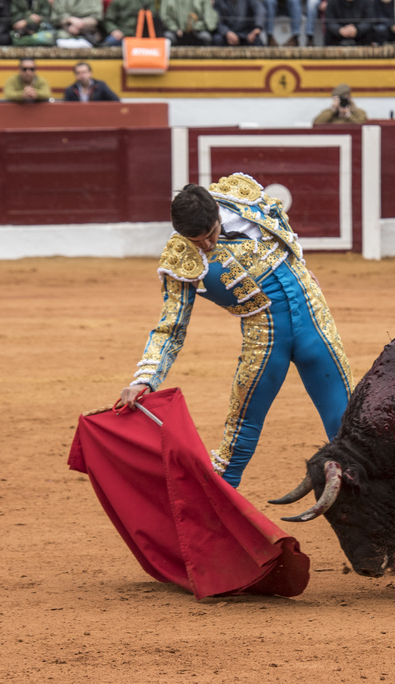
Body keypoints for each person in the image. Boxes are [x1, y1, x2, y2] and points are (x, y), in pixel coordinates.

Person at [116, 173, 353, 488]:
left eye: (209, 234)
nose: (207, 245)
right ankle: (217, 513)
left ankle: (368, 504)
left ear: (215, 212)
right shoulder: (180, 257)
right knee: (240, 433)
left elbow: (283, 227)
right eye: (196, 241)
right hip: (266, 338)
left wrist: (301, 268)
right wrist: (144, 379)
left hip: (314, 317)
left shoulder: (243, 195)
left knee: (347, 422)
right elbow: (171, 326)